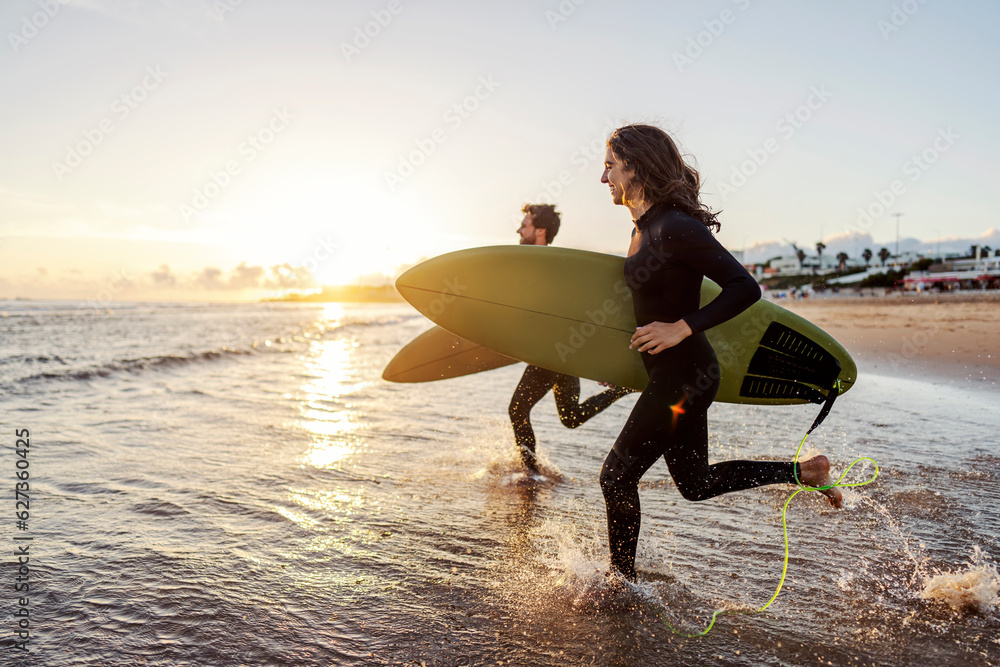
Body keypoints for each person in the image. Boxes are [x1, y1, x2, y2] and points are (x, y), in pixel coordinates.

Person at [597, 125, 841, 582]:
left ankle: (620, 585)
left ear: (635, 166)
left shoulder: (672, 227)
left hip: (686, 375)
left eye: (609, 165)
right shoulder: (642, 230)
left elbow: (745, 287)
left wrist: (682, 327)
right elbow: (649, 309)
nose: (603, 176)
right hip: (674, 374)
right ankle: (806, 471)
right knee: (696, 484)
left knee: (616, 476)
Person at [508, 204, 632, 471]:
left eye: (525, 224)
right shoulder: (529, 264)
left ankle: (531, 473)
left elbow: (578, 309)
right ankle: (625, 388)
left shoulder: (548, 267)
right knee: (571, 417)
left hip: (553, 353)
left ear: (540, 231)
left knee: (517, 410)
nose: (519, 229)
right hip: (564, 352)